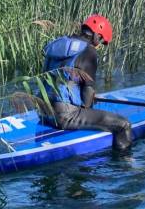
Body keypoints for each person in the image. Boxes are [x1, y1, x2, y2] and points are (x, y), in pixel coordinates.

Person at [41, 14, 132, 150]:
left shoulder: (58, 44)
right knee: (124, 125)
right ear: (96, 35)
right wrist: (87, 107)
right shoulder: (89, 52)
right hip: (64, 116)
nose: (99, 44)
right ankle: (124, 164)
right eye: (100, 40)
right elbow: (87, 93)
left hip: (43, 112)